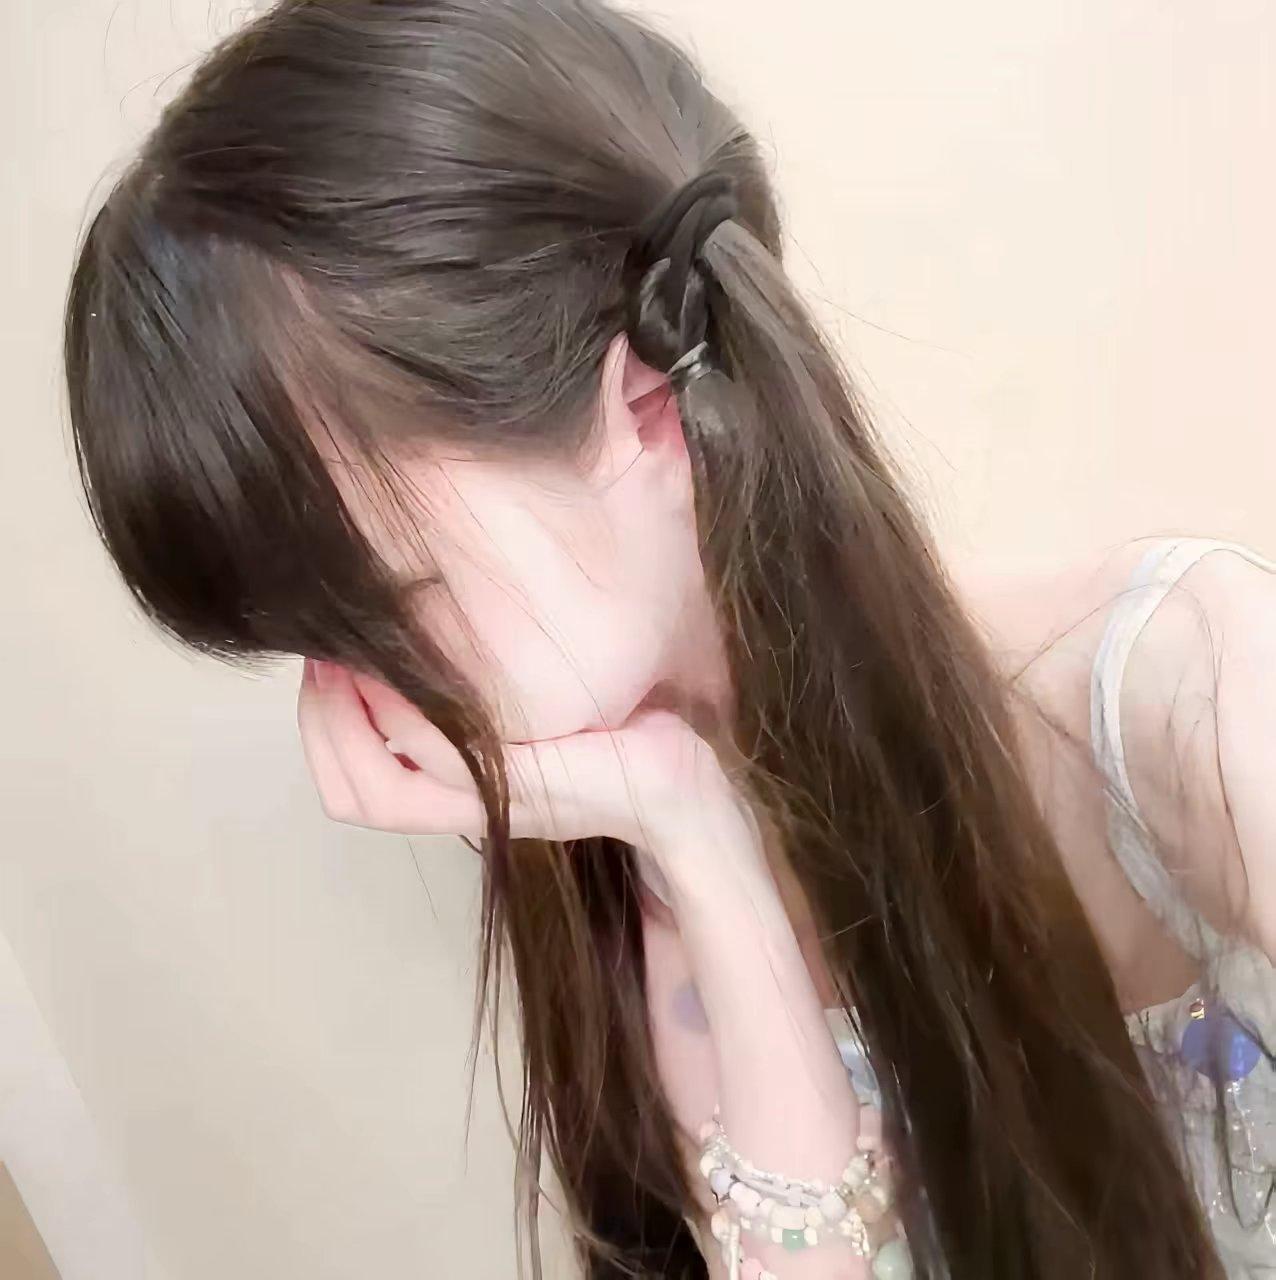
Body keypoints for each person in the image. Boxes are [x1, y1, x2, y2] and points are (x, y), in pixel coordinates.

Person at [61, 1, 1276, 1277]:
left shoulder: (1194, 688)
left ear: (644, 401)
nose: (350, 715)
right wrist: (695, 837)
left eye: (380, 604)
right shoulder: (616, 857)